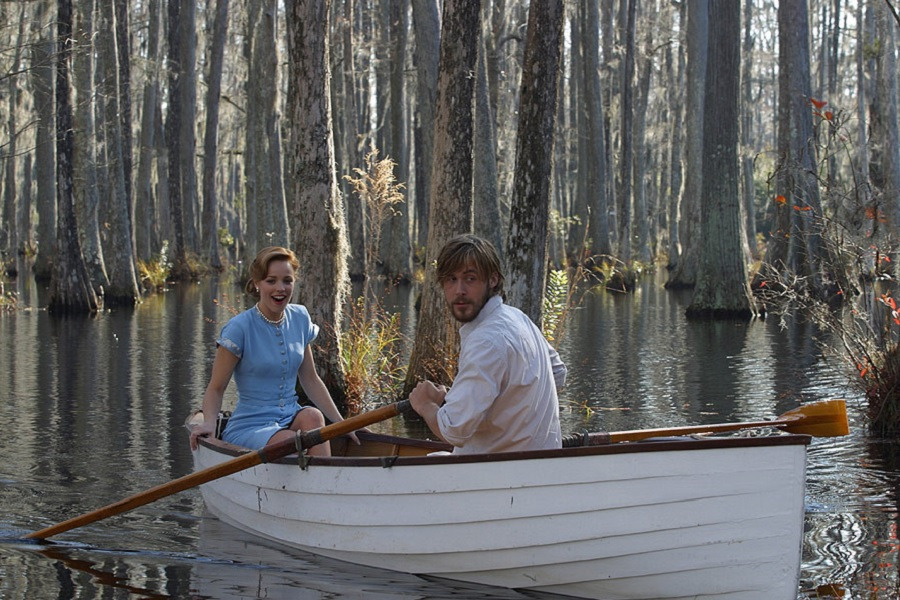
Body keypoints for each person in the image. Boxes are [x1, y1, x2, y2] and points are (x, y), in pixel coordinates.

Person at [189, 246, 356, 456]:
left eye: (287, 280)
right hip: (251, 426)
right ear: (257, 283)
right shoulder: (239, 328)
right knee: (289, 441)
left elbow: (310, 379)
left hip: (291, 416)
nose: (280, 288)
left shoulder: (300, 317)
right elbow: (216, 387)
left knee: (313, 416)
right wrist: (209, 424)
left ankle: (323, 475)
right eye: (271, 281)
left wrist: (342, 423)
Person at [409, 234, 567, 454]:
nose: (459, 290)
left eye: (470, 278)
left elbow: (453, 431)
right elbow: (558, 373)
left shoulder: (486, 340)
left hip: (497, 470)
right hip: (541, 462)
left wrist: (425, 404)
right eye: (451, 279)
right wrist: (492, 402)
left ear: (492, 280)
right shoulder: (516, 317)